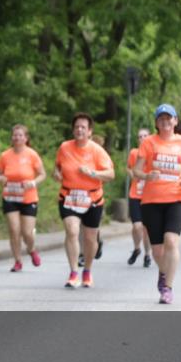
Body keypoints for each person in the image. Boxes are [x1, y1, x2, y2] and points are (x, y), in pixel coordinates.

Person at [133, 104, 181, 305]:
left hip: (177, 198)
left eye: (169, 118)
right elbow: (136, 171)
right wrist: (146, 175)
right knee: (157, 251)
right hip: (152, 200)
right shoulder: (149, 143)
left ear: (175, 121)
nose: (165, 122)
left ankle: (167, 288)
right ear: (156, 123)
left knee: (171, 241)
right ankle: (163, 273)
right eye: (161, 119)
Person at [52, 113, 114, 289]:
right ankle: (73, 272)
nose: (79, 130)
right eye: (77, 127)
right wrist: (56, 173)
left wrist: (93, 173)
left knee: (89, 237)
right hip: (69, 197)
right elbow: (57, 167)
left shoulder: (97, 151)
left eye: (83, 127)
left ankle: (87, 270)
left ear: (89, 132)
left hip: (92, 198)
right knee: (72, 231)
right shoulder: (64, 148)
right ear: (73, 130)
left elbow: (111, 174)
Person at [0, 124, 46, 271]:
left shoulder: (32, 154)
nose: (17, 138)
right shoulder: (5, 155)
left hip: (28, 198)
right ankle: (17, 261)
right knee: (14, 229)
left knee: (27, 232)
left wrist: (33, 183)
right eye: (15, 135)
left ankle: (31, 249)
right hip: (10, 196)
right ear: (12, 138)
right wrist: (0, 179)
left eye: (20, 135)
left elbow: (43, 174)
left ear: (26, 138)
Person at [126, 127, 152, 267]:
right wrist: (131, 174)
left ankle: (148, 255)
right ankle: (137, 249)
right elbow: (129, 168)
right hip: (135, 194)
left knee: (147, 228)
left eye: (145, 136)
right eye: (140, 136)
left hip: (149, 195)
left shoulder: (154, 153)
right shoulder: (134, 153)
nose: (142, 138)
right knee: (137, 226)